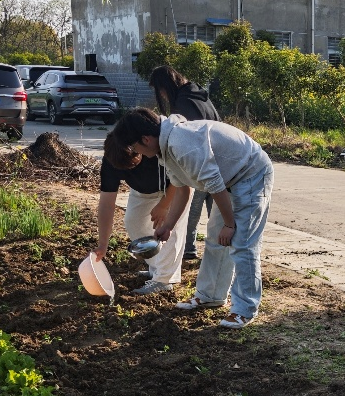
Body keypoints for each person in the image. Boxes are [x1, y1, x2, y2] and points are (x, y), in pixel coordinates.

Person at [106, 108, 273, 328]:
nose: (135, 152)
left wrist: (230, 224)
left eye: (133, 146)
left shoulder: (181, 143)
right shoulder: (166, 147)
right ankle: (210, 296)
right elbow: (181, 189)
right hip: (230, 179)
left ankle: (245, 309)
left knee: (242, 243)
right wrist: (167, 226)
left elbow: (215, 186)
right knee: (216, 239)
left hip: (250, 174)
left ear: (145, 139)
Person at [93, 134, 189, 295]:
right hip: (141, 190)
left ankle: (164, 280)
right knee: (134, 222)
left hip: (175, 188)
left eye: (134, 164)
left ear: (138, 150)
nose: (132, 170)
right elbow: (106, 204)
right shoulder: (111, 160)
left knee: (168, 230)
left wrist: (164, 205)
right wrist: (103, 244)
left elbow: (180, 179)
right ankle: (157, 268)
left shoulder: (153, 149)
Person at [148, 66, 221, 261]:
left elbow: (183, 142)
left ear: (165, 87)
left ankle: (189, 250)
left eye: (160, 90)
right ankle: (218, 255)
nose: (161, 96)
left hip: (200, 164)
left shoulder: (183, 104)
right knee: (216, 216)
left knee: (191, 212)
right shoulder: (200, 96)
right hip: (218, 163)